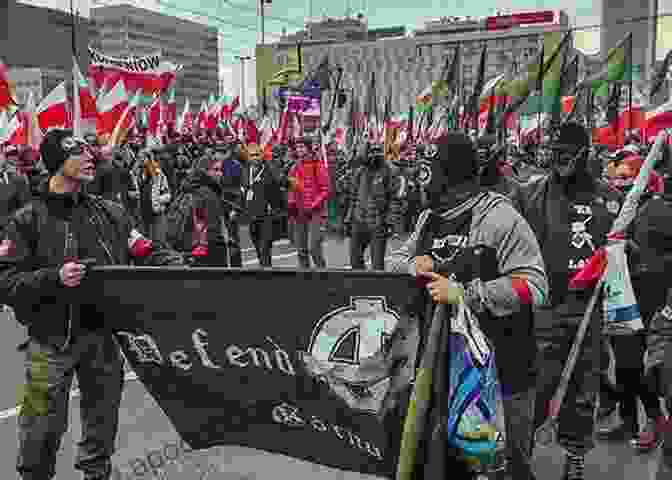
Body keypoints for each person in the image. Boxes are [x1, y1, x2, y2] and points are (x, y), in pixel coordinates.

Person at [0, 129, 183, 480]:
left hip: (103, 341)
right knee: (40, 431)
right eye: (77, 152)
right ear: (56, 163)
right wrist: (54, 278)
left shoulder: (109, 213)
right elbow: (5, 281)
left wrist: (189, 269)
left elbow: (146, 250)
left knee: (101, 429)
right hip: (49, 344)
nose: (89, 157)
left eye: (89, 151)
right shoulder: (26, 221)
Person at [386, 132, 548, 480]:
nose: (420, 181)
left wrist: (468, 293)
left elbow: (535, 286)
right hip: (444, 373)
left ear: (451, 178)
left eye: (428, 172)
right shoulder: (428, 219)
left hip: (504, 373)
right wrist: (413, 265)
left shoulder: (501, 219)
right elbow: (394, 260)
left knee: (505, 467)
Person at [508, 122, 622, 480]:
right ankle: (521, 457)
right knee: (536, 386)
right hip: (543, 310)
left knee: (583, 389)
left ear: (583, 154)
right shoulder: (531, 194)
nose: (557, 161)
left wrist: (623, 250)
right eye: (553, 153)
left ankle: (575, 457)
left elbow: (622, 252)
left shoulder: (607, 197)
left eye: (565, 154)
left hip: (588, 312)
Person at [340, 142, 403, 270]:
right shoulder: (359, 172)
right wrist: (348, 219)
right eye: (369, 153)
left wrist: (390, 222)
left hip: (378, 224)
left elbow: (395, 199)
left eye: (376, 152)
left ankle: (377, 289)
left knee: (377, 265)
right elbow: (353, 197)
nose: (372, 155)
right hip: (358, 222)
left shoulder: (390, 171)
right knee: (355, 261)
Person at [166, 151, 232, 266]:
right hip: (206, 251)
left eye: (220, 170)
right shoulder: (209, 194)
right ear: (205, 172)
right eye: (215, 170)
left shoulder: (187, 188)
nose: (220, 174)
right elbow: (214, 229)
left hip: (187, 248)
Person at [239, 142, 294, 267]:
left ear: (262, 155)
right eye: (252, 155)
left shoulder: (269, 169)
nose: (255, 158)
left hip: (267, 215)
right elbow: (243, 191)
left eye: (257, 155)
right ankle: (263, 267)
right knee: (256, 244)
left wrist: (284, 181)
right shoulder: (245, 171)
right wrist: (236, 210)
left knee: (265, 246)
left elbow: (281, 182)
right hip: (252, 215)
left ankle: (267, 271)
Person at [287, 135, 329, 269]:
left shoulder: (318, 165)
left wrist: (313, 205)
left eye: (301, 146)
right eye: (297, 147)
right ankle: (305, 279)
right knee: (301, 250)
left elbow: (326, 189)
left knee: (314, 248)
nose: (298, 149)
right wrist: (292, 202)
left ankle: (323, 274)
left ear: (309, 148)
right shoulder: (294, 167)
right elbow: (292, 188)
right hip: (299, 213)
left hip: (315, 213)